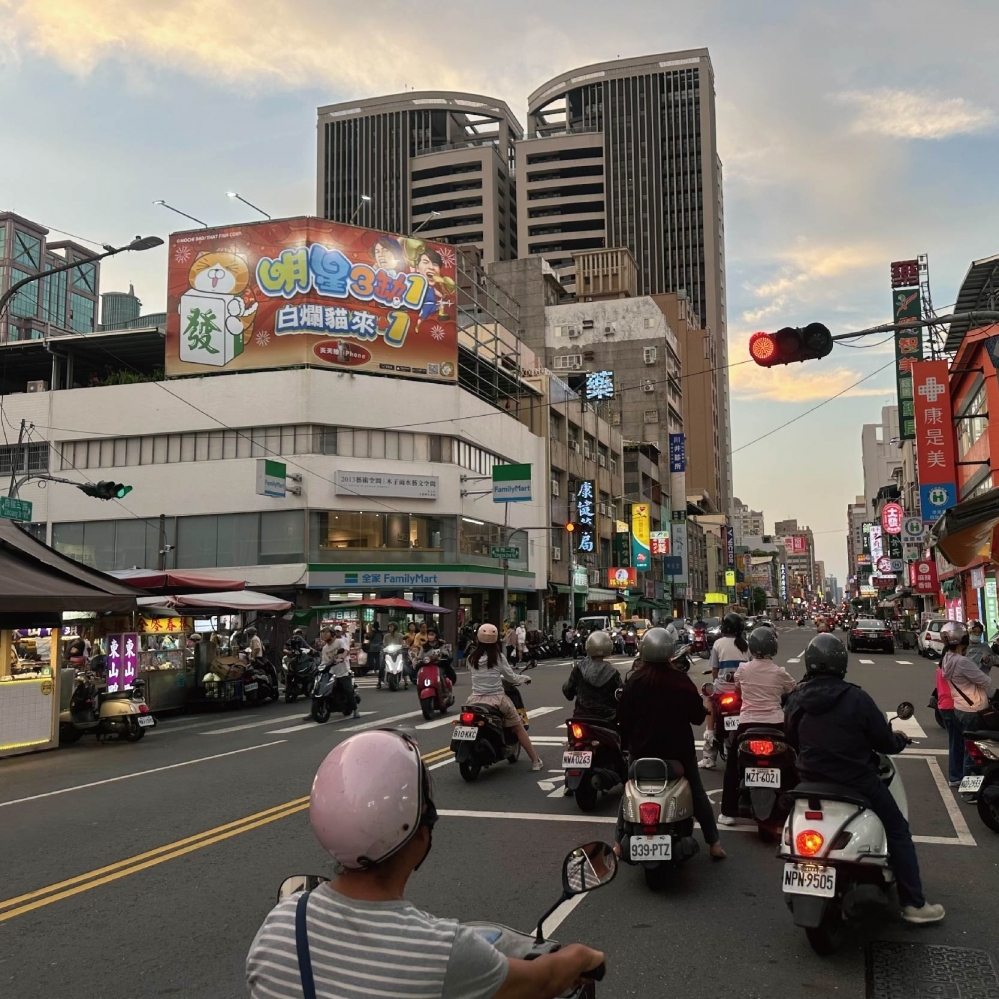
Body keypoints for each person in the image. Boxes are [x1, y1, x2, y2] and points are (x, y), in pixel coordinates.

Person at [246, 730, 604, 999]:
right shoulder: (442, 952)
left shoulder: (279, 926)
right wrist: (582, 956)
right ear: (420, 832)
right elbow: (543, 981)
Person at [784, 633, 944, 924]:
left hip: (809, 780)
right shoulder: (856, 698)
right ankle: (913, 903)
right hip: (855, 780)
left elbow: (790, 736)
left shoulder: (796, 698)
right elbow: (882, 741)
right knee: (898, 830)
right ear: (842, 663)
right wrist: (898, 742)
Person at [615, 627, 727, 860]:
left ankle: (617, 843)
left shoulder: (634, 682)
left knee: (628, 790)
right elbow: (697, 716)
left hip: (642, 753)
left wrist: (629, 746)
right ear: (670, 652)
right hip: (679, 754)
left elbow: (623, 720)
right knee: (697, 792)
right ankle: (714, 843)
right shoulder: (680, 681)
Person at [718, 627, 796, 824]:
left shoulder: (743, 669)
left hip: (747, 725)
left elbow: (737, 687)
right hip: (776, 724)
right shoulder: (780, 673)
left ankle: (727, 812)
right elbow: (793, 688)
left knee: (732, 768)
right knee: (793, 760)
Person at [466, 624, 543, 770]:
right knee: (519, 727)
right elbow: (512, 677)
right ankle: (535, 761)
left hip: (474, 699)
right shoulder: (498, 657)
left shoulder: (471, 658)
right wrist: (525, 678)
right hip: (497, 700)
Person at [940, 621, 996, 782]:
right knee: (972, 753)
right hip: (973, 709)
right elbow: (986, 682)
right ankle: (968, 789)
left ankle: (956, 778)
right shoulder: (962, 662)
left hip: (959, 707)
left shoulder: (947, 659)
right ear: (963, 640)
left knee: (961, 747)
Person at [700, 613, 751, 769]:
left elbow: (715, 670)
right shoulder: (746, 645)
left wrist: (717, 681)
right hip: (741, 692)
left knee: (708, 698)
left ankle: (709, 752)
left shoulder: (718, 644)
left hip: (722, 690)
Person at [561, 630, 623, 723]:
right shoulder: (613, 673)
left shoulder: (579, 668)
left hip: (581, 716)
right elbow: (620, 696)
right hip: (607, 718)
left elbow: (568, 691)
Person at [319, 627, 359, 719]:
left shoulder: (339, 642)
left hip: (342, 671)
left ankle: (355, 710)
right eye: (322, 633)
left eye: (326, 633)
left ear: (332, 634)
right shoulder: (325, 648)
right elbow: (324, 661)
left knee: (348, 690)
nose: (324, 635)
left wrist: (342, 658)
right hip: (331, 672)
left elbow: (346, 651)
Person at [379, 622, 402, 689]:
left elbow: (402, 643)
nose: (390, 628)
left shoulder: (400, 635)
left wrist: (403, 646)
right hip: (388, 653)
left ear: (395, 627)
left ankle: (406, 681)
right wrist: (383, 648)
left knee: (403, 665)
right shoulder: (386, 636)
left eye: (392, 627)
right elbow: (384, 644)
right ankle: (379, 682)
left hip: (398, 653)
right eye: (389, 627)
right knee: (382, 666)